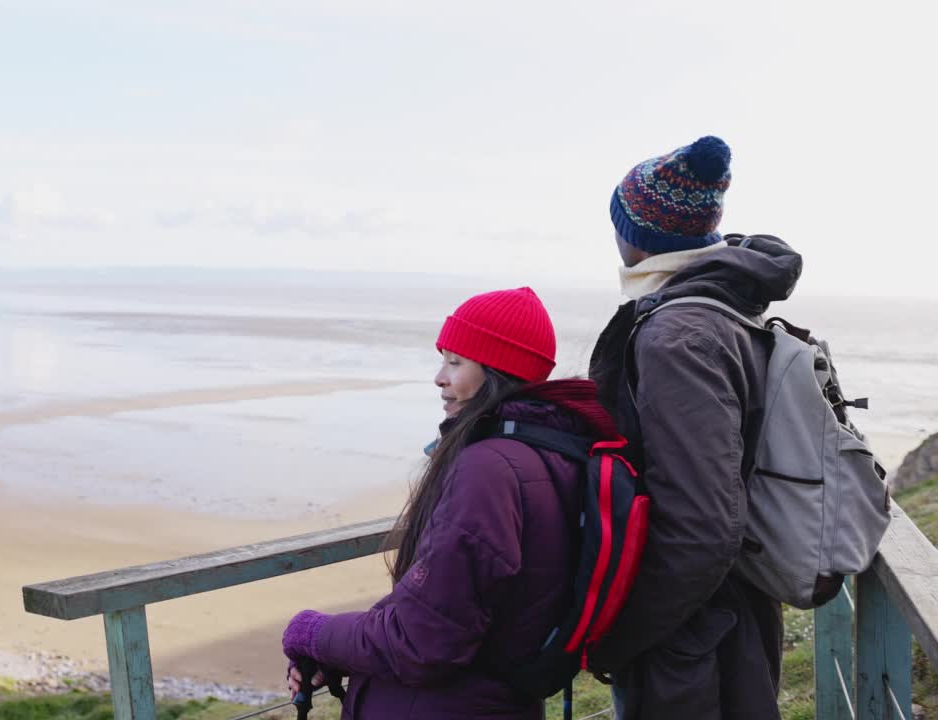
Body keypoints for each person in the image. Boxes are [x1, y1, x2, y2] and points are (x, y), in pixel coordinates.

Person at [280, 286, 620, 719]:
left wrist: (311, 633)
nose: (439, 377)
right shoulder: (560, 455)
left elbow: (423, 641)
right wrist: (342, 652)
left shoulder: (487, 470)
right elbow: (452, 608)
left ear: (497, 371)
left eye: (455, 362)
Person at [586, 136, 804, 719]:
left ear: (636, 236)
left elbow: (704, 526)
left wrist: (622, 634)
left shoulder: (677, 337)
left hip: (692, 639)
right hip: (728, 612)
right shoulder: (723, 306)